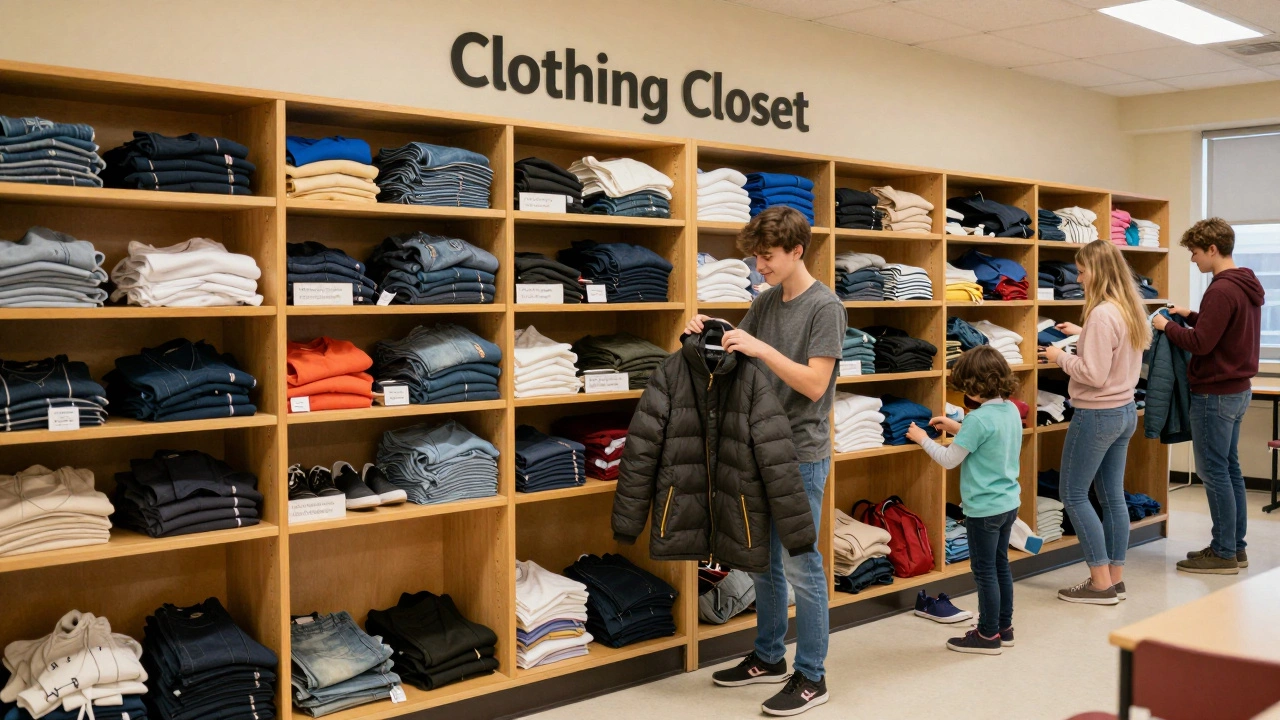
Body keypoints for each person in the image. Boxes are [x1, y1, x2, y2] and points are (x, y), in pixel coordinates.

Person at [689, 206, 843, 716]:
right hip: (760, 449)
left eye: (768, 256)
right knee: (763, 563)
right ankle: (769, 656)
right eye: (756, 256)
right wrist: (711, 332)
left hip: (800, 455)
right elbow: (740, 359)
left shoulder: (825, 307)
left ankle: (812, 676)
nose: (759, 266)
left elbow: (815, 384)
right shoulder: (767, 301)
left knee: (803, 568)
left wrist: (760, 347)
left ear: (797, 250)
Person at [1153, 218, 1264, 575]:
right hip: (1238, 390)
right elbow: (1224, 327)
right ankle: (1234, 547)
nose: (1192, 259)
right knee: (1229, 470)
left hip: (1214, 394)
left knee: (1214, 472)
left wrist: (1167, 326)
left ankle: (1223, 552)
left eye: (1195, 252)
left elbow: (1201, 343)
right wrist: (1191, 315)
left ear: (1212, 249)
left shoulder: (1220, 289)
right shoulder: (1245, 284)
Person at [1042, 240, 1150, 605]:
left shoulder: (1102, 314)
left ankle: (1099, 583)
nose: (1078, 277)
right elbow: (1112, 353)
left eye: (1082, 271)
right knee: (1112, 497)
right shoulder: (1127, 308)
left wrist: (1059, 356)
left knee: (1072, 494)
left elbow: (1094, 373)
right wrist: (1082, 333)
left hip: (1097, 414)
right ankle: (1114, 578)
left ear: (1098, 272)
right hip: (1123, 412)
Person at [906, 345, 1022, 655]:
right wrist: (957, 427)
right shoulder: (1010, 409)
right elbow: (989, 439)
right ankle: (1003, 628)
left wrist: (922, 439)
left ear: (976, 386)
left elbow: (947, 459)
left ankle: (986, 636)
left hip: (983, 509)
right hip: (1008, 503)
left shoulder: (978, 419)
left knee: (984, 571)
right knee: (1000, 566)